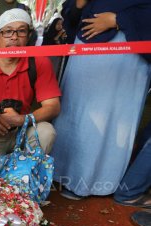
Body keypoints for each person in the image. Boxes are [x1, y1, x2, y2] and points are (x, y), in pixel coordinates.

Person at [51, 0, 151, 200]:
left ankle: (92, 181)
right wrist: (78, 6)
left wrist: (118, 19)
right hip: (85, 51)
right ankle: (57, 173)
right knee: (75, 114)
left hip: (126, 52)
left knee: (110, 120)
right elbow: (69, 16)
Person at [0, 8, 61, 174]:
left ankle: (27, 175)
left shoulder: (39, 63)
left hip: (23, 130)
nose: (14, 37)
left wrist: (22, 119)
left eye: (21, 31)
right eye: (7, 32)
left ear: (28, 36)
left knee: (46, 131)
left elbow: (53, 106)